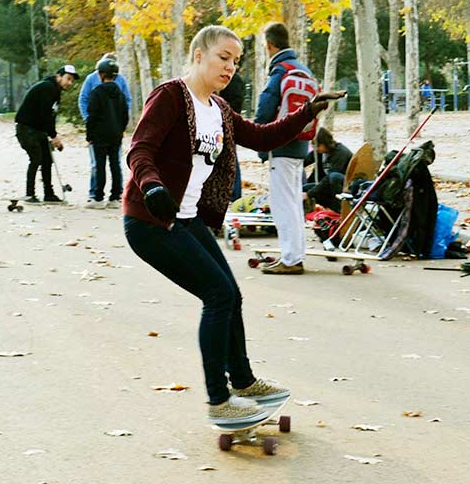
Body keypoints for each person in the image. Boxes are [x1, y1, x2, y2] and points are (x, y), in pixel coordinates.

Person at [122, 25, 343, 424]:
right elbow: (140, 148)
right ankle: (219, 399)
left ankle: (242, 381)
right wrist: (151, 186)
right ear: (198, 55)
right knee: (218, 295)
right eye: (223, 57)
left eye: (236, 61)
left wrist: (309, 110)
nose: (230, 67)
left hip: (185, 219)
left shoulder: (219, 109)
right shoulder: (171, 96)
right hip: (151, 221)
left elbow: (261, 136)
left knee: (231, 294)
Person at [254, 21, 311, 275]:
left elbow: (266, 107)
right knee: (293, 203)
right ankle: (295, 254)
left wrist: (259, 140)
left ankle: (290, 259)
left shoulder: (279, 71)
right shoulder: (303, 70)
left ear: (268, 45)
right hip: (301, 143)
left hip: (281, 146)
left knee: (282, 204)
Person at [15, 65, 79, 203]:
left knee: (47, 159)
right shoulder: (47, 88)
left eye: (72, 80)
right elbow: (45, 115)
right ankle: (29, 194)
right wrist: (54, 136)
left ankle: (49, 194)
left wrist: (53, 135)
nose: (69, 83)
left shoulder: (55, 91)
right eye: (68, 78)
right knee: (36, 158)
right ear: (59, 76)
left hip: (39, 130)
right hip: (26, 128)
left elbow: (51, 116)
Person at [78, 52, 133, 203]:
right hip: (115, 132)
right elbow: (124, 113)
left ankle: (98, 196)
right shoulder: (119, 93)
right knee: (114, 164)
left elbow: (92, 114)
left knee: (100, 164)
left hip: (99, 133)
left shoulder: (97, 93)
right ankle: (115, 196)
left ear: (102, 74)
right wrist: (120, 127)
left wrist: (89, 135)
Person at [303, 127, 352, 213]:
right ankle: (308, 214)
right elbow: (304, 161)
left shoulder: (340, 153)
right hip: (328, 184)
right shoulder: (320, 152)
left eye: (318, 146)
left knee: (334, 177)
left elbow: (329, 178)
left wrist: (309, 194)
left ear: (324, 143)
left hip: (344, 186)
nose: (316, 149)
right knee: (304, 188)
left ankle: (341, 209)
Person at [218, 64, 245, 201]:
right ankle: (234, 193)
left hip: (223, 122)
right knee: (231, 157)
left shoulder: (226, 79)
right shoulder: (238, 80)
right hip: (232, 122)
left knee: (228, 158)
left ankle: (233, 193)